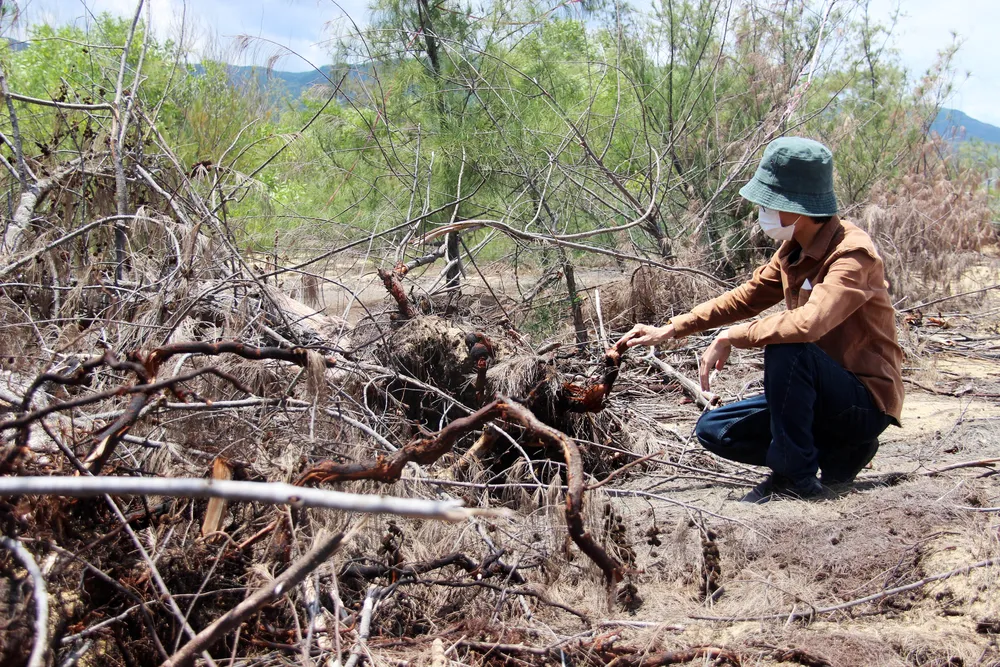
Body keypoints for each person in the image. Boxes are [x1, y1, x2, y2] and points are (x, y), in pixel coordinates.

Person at [616, 137, 904, 503]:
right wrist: (672, 329)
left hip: (862, 401)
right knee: (716, 430)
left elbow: (808, 325)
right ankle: (840, 452)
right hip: (818, 396)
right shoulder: (793, 249)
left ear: (795, 207)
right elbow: (748, 297)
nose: (762, 210)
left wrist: (734, 336)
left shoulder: (853, 255)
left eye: (769, 202)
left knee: (788, 348)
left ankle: (793, 477)